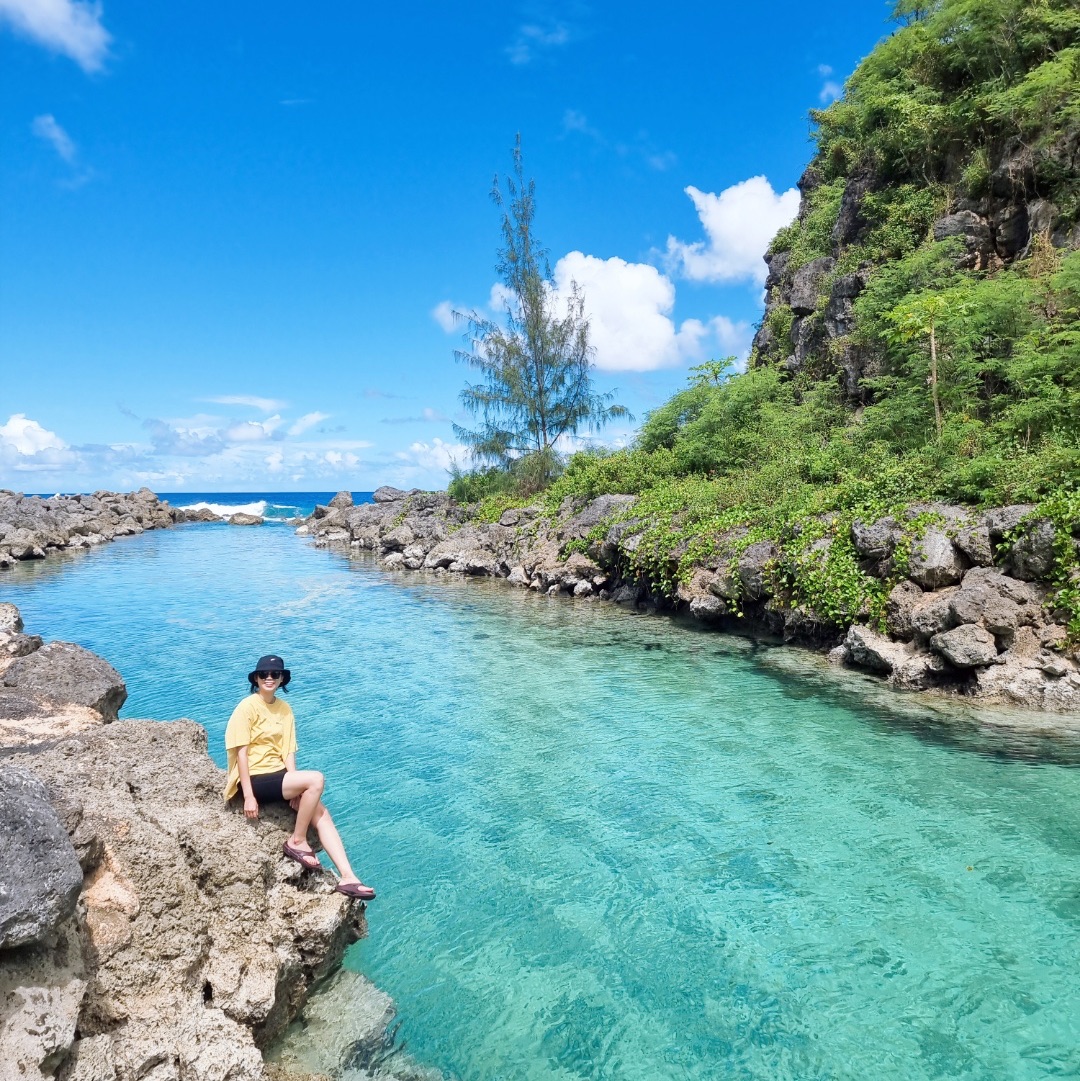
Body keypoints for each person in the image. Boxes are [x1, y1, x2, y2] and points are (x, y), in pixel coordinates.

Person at [223, 653, 375, 901]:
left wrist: (295, 786)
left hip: (279, 777)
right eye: (264, 674)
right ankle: (297, 840)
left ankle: (349, 878)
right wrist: (249, 796)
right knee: (316, 779)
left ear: (282, 679)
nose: (269, 678)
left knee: (322, 813)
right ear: (256, 678)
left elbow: (288, 750)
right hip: (256, 777)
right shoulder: (247, 707)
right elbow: (241, 752)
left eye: (275, 674)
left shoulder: (285, 709)